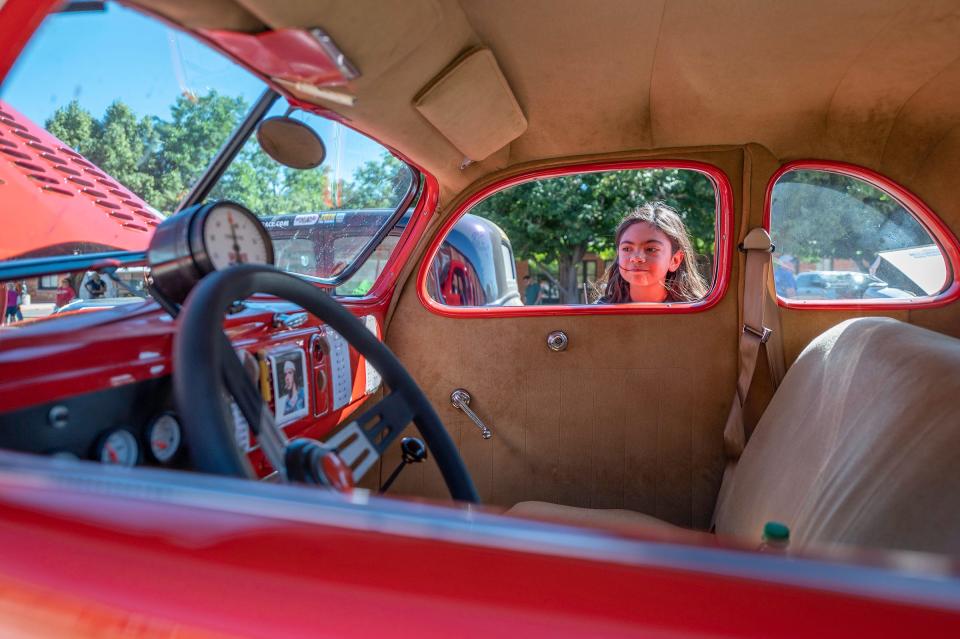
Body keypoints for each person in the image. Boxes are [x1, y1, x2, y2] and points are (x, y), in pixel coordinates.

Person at [595, 202, 709, 304]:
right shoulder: (600, 312)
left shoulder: (697, 313)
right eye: (627, 249)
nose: (636, 258)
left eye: (651, 249)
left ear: (675, 260)